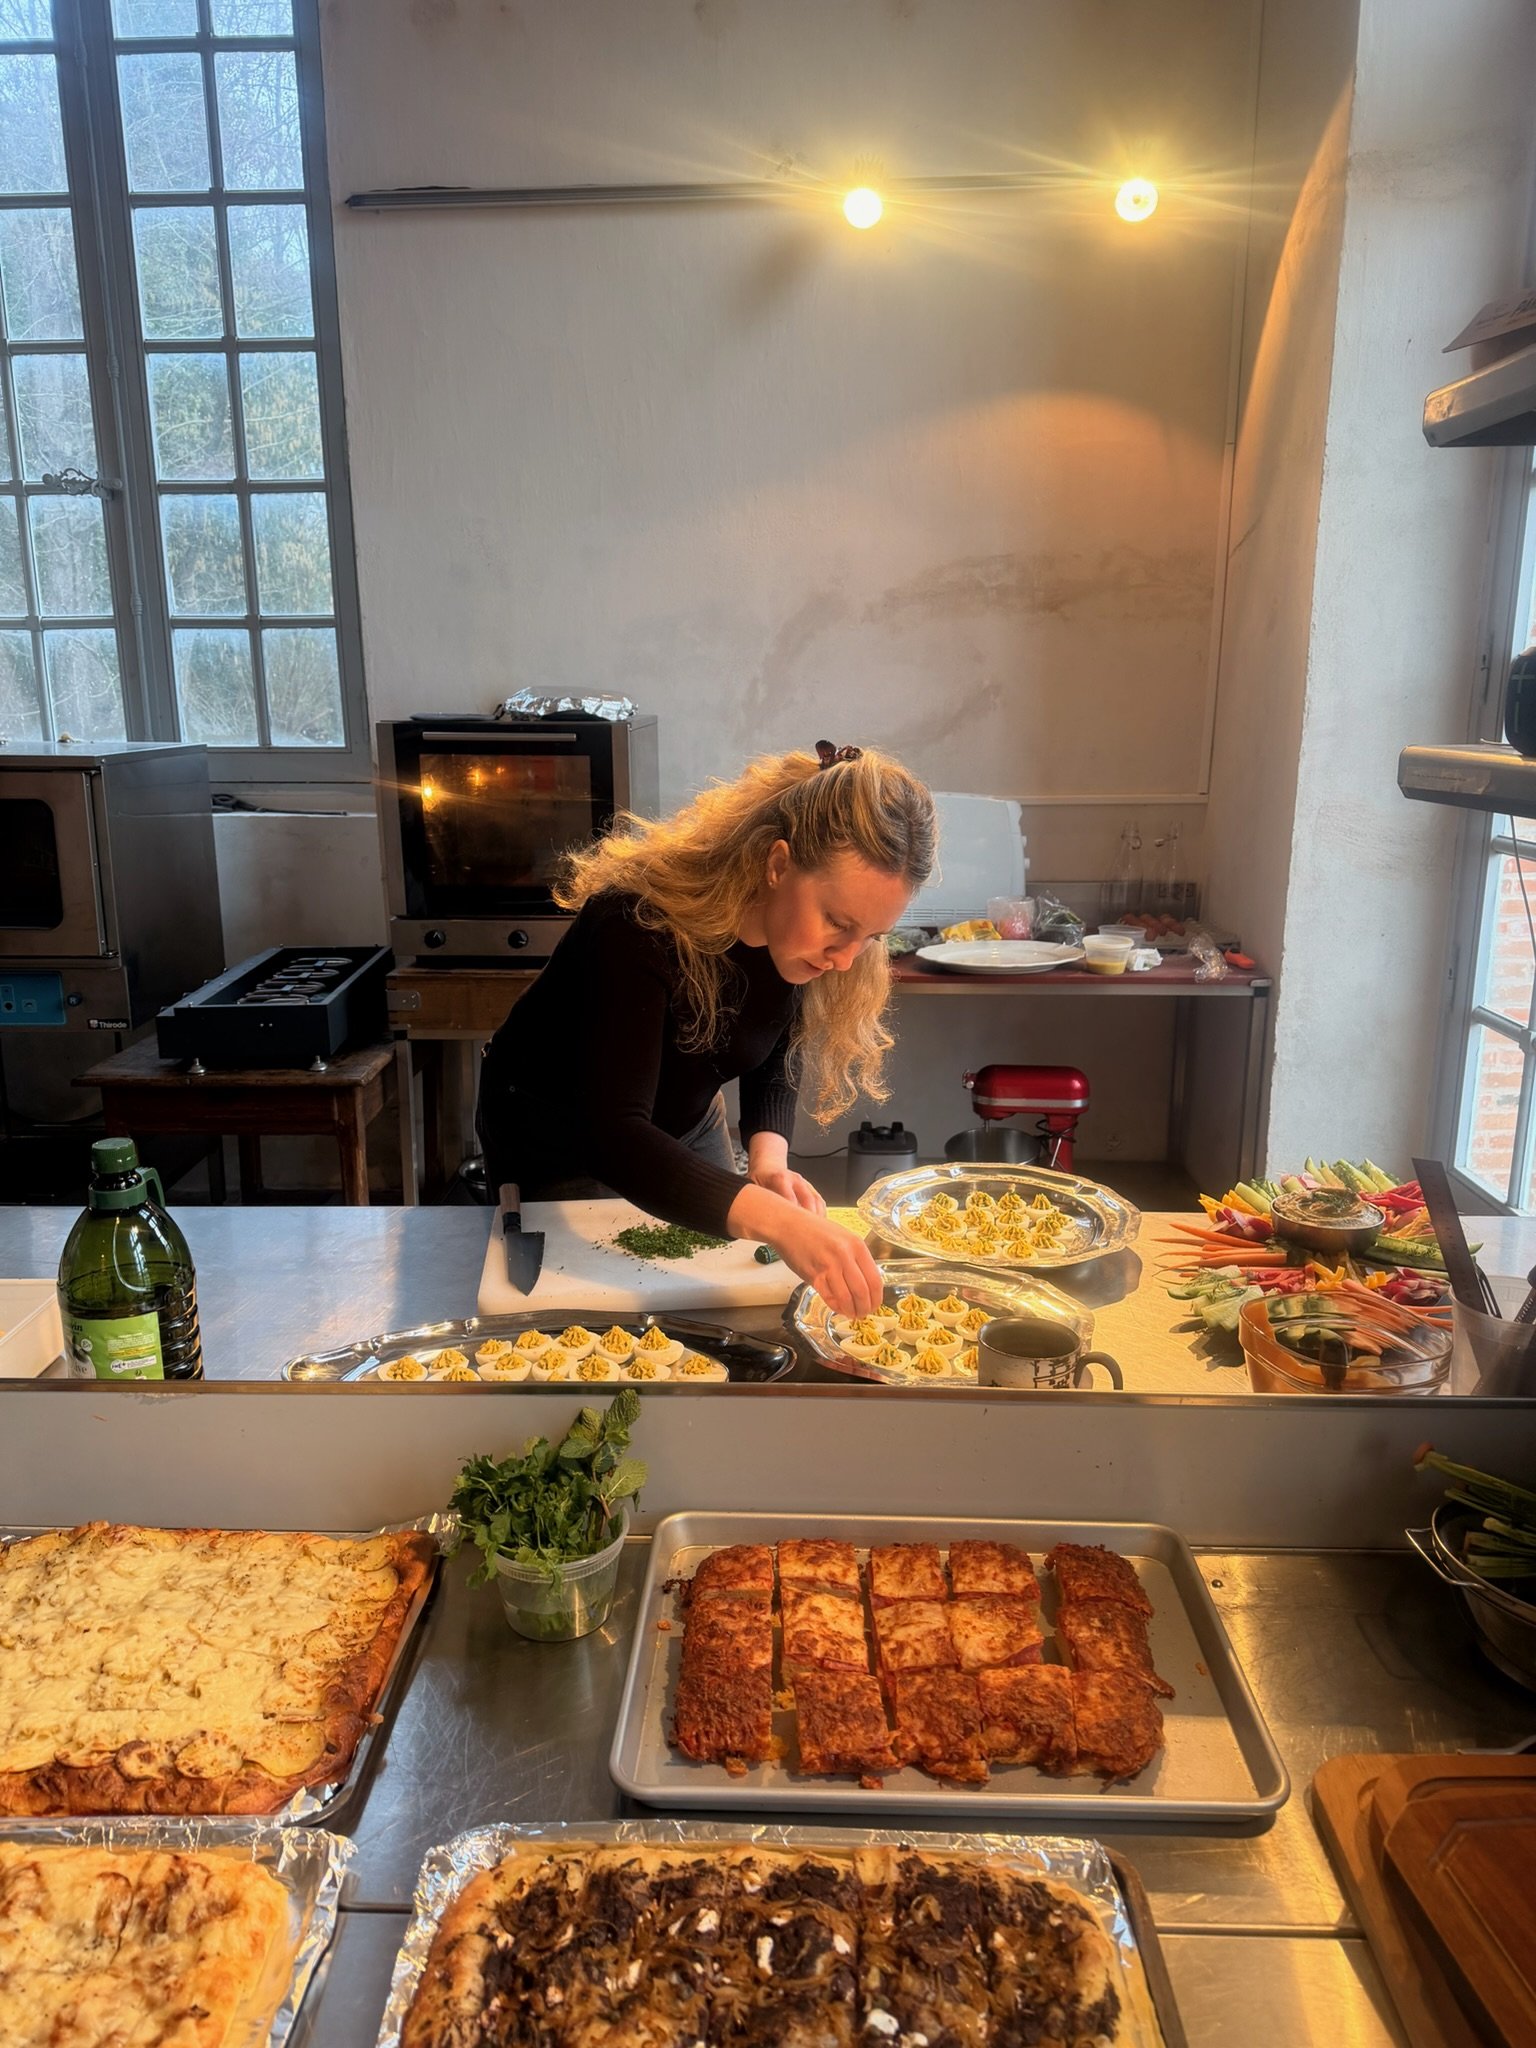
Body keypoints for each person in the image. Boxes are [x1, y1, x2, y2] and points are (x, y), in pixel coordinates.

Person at [477, 741, 936, 1315]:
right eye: (839, 924)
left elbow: (773, 1043)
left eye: (870, 936)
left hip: (684, 1118)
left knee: (712, 1295)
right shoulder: (635, 923)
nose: (846, 959)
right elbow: (614, 1137)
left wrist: (768, 1161)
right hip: (559, 1131)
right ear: (776, 865)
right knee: (582, 1316)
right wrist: (781, 1224)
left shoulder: (802, 939)